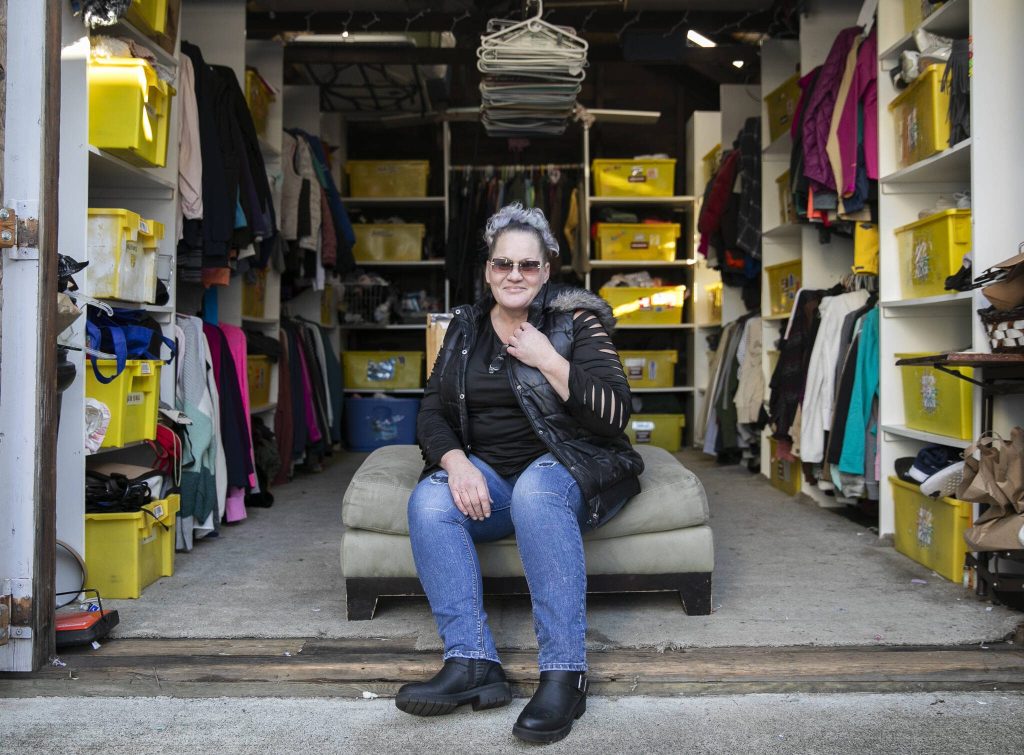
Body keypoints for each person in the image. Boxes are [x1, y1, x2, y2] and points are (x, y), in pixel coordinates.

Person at [396, 203, 644, 744]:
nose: (515, 276)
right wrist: (457, 462)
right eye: (503, 264)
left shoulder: (577, 324)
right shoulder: (464, 330)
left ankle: (565, 674)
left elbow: (614, 416)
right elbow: (432, 411)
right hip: (493, 474)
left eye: (527, 266)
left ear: (547, 270)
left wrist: (548, 359)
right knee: (430, 502)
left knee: (536, 492)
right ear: (487, 270)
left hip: (573, 464)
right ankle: (472, 663)